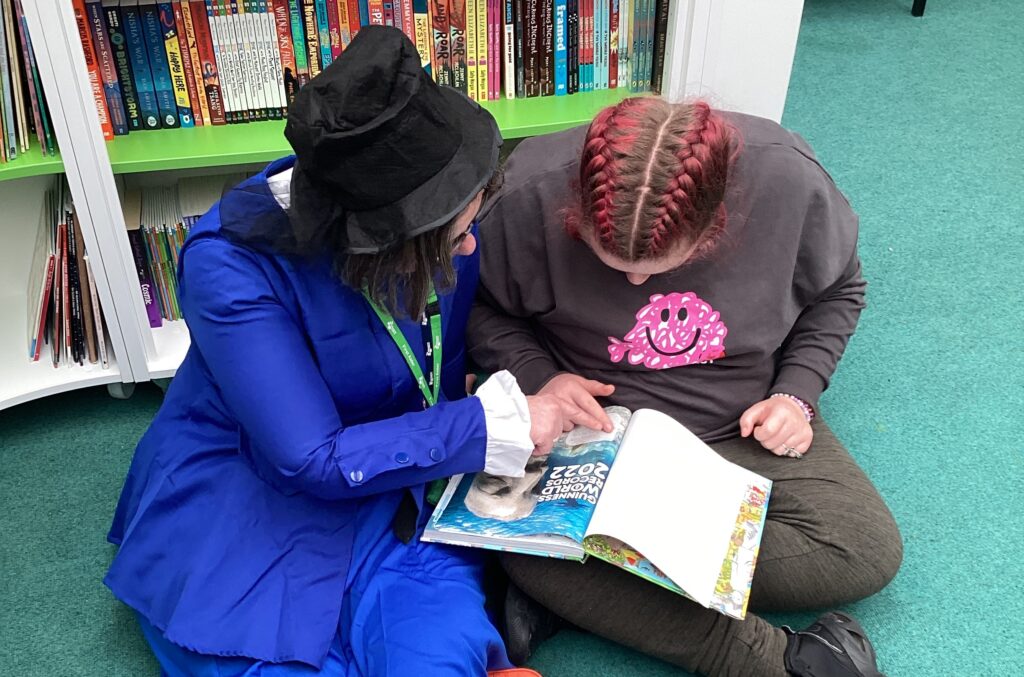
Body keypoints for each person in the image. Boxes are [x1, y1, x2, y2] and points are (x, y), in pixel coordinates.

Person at [104, 27, 583, 676]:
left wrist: (504, 401)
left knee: (436, 651)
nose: (471, 252)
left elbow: (437, 360)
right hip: (253, 489)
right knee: (262, 654)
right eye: (458, 236)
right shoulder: (228, 267)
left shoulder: (435, 227)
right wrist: (488, 423)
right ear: (387, 244)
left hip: (401, 474)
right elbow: (308, 459)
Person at [468, 97, 904, 677]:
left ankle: (603, 600)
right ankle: (783, 663)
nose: (635, 280)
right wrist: (541, 377)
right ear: (572, 212)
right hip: (594, 429)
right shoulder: (526, 195)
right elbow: (480, 310)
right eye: (612, 262)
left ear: (716, 222)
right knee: (525, 548)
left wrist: (797, 393)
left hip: (740, 420)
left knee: (862, 550)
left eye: (660, 266)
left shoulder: (790, 184)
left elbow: (839, 292)